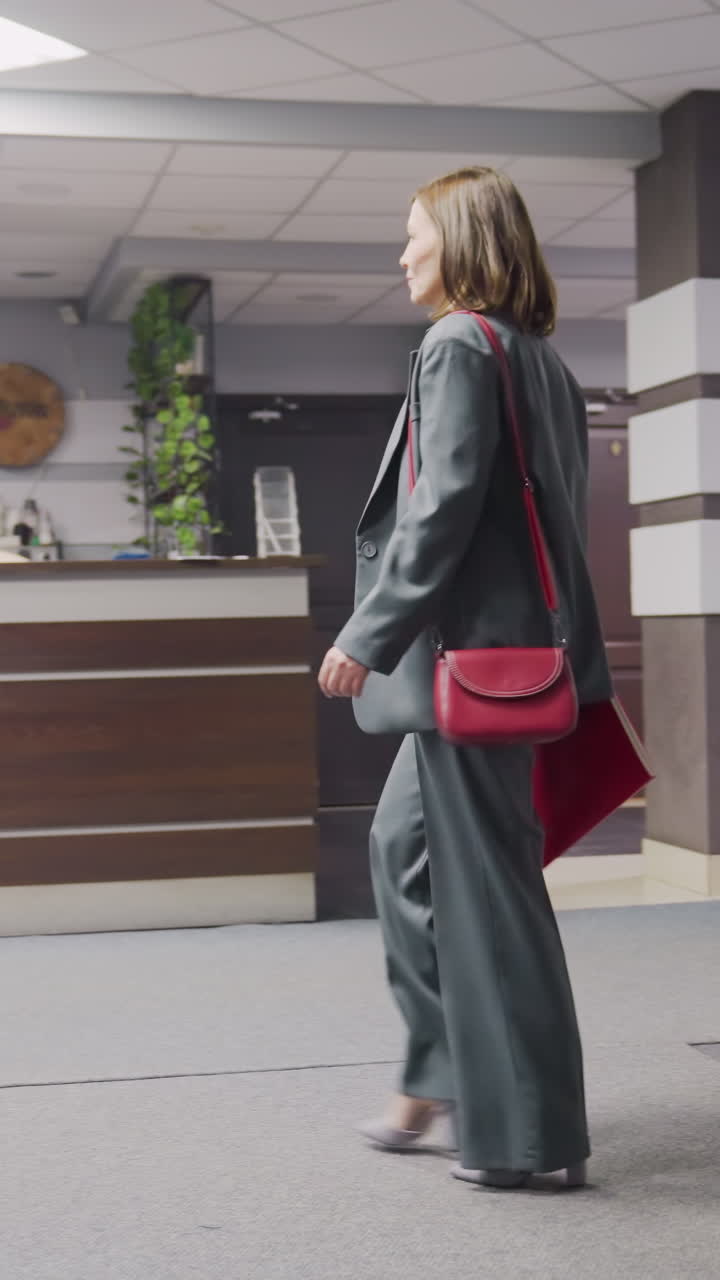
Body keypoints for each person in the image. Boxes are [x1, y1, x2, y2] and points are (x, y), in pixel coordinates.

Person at [317, 167, 612, 1190]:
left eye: (414, 237)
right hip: (514, 662)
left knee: (490, 894)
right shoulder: (542, 363)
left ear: (465, 240)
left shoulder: (458, 345)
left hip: (473, 668)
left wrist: (370, 629)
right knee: (401, 851)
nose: (402, 256)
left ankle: (531, 1135)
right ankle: (445, 1068)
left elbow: (440, 509)